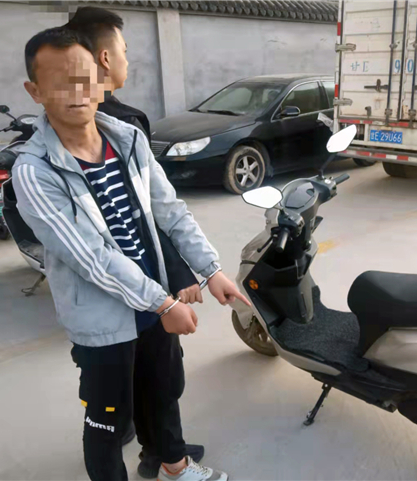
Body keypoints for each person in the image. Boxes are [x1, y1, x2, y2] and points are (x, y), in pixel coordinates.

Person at [14, 27, 247, 481]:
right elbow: (90, 258)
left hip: (156, 302)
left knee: (163, 390)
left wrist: (210, 269)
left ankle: (173, 466)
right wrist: (164, 303)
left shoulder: (128, 140)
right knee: (108, 420)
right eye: (59, 81)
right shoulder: (35, 171)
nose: (76, 92)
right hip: (103, 320)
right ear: (35, 91)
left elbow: (170, 211)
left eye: (84, 77)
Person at [64, 8, 202, 469]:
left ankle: (159, 449)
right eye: (124, 50)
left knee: (137, 384)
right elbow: (147, 219)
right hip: (132, 293)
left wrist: (203, 267)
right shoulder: (121, 126)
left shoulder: (96, 127)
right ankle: (164, 454)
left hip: (114, 300)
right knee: (153, 381)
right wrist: (175, 282)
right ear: (105, 58)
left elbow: (161, 210)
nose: (129, 58)